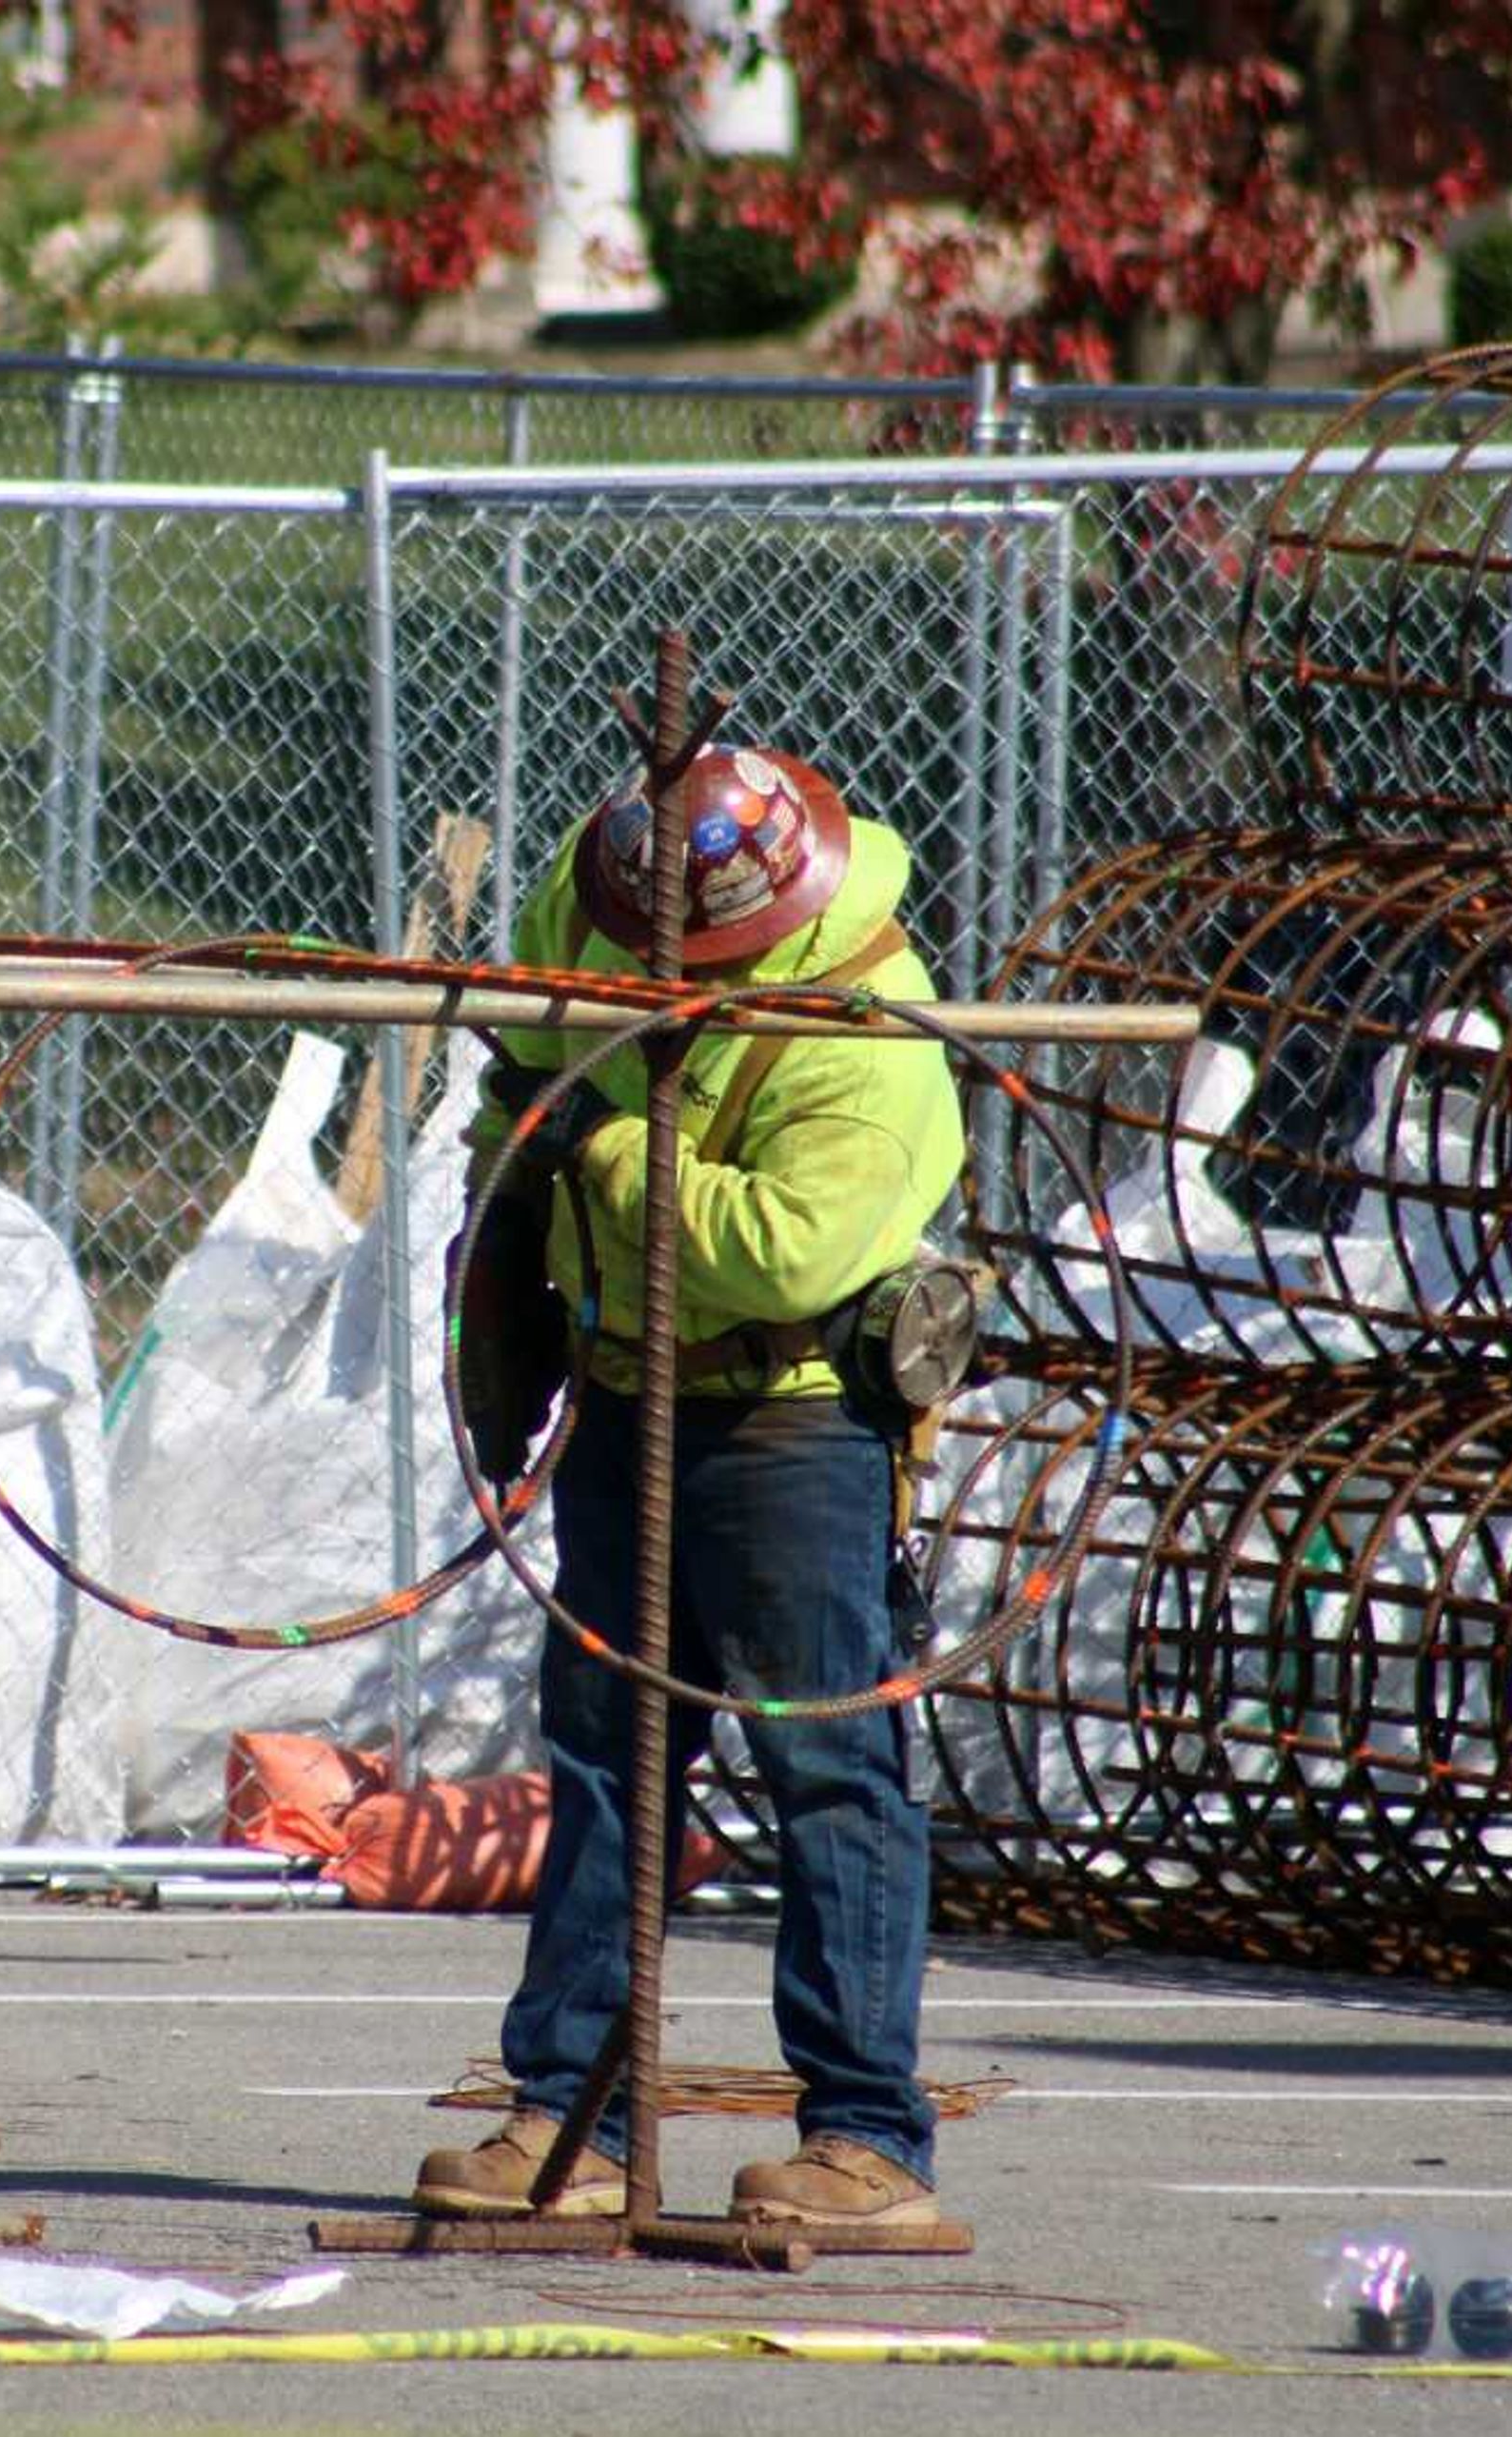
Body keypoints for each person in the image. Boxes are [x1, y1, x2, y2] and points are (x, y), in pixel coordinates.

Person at [417, 741, 967, 2229]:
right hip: (624, 1393)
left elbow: (781, 1249)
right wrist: (508, 1233)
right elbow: (530, 1073)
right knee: (604, 1752)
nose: (623, 956)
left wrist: (600, 1153)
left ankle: (868, 2139)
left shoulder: (870, 1035)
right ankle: (568, 2117)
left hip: (788, 1423)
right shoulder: (593, 894)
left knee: (827, 1771)